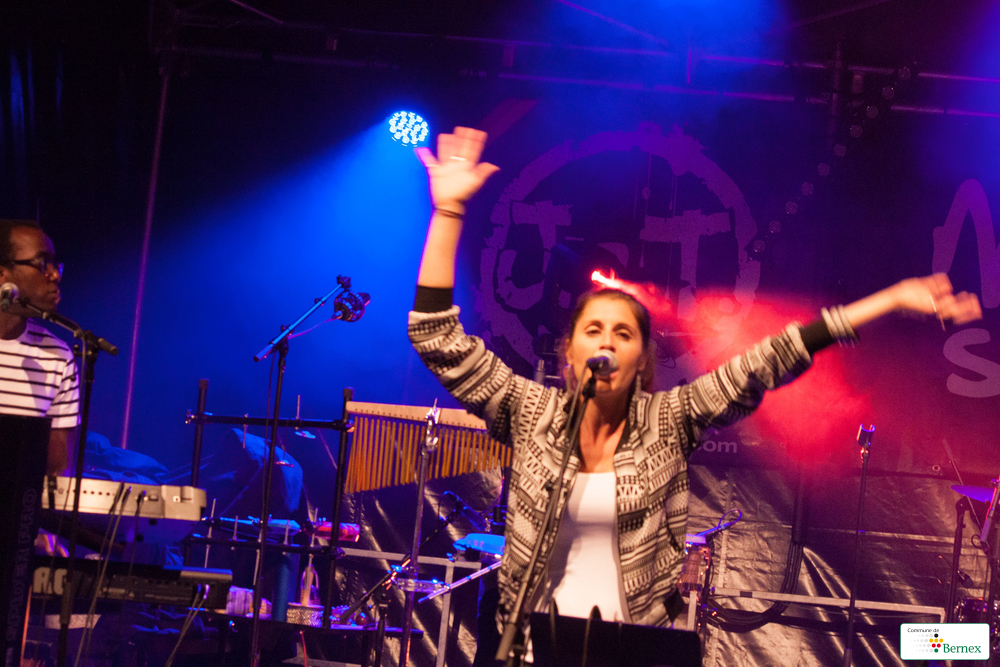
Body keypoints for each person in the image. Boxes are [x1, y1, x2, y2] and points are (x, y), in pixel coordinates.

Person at [408, 128, 982, 645]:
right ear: (570, 351)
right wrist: (449, 211)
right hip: (526, 650)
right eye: (593, 329)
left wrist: (887, 301)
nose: (607, 341)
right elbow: (437, 336)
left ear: (642, 359)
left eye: (623, 333)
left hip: (627, 654)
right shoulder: (530, 411)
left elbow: (771, 357)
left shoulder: (668, 420)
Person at [0, 218, 79, 476]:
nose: (55, 275)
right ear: (2, 274)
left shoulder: (57, 357)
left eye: (55, 265)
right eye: (42, 264)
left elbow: (57, 470)